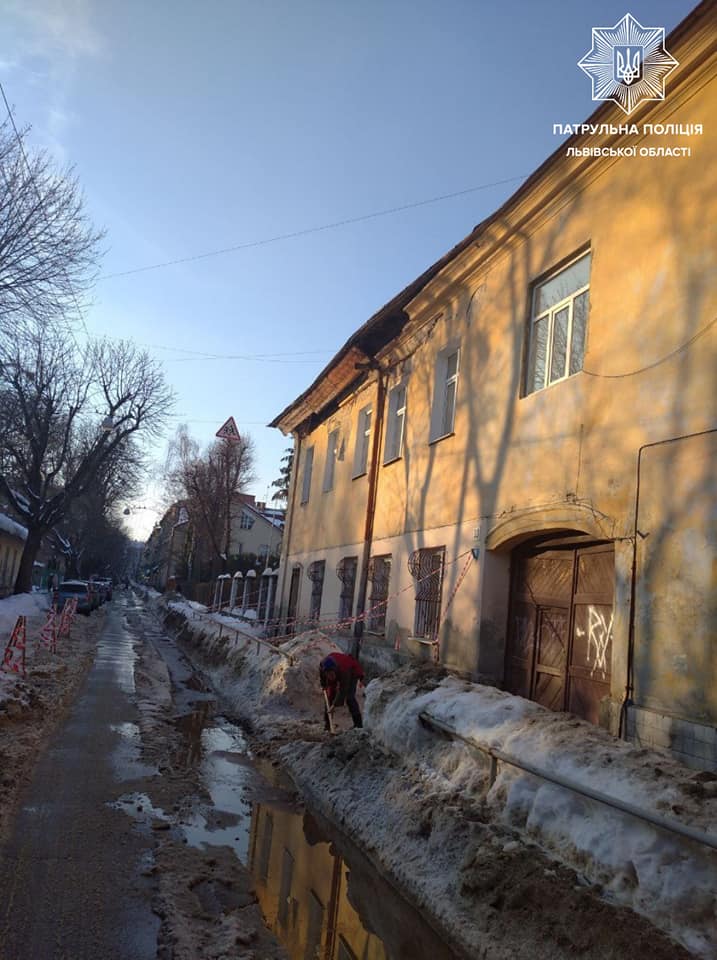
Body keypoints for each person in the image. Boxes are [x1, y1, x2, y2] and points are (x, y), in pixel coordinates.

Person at [319, 652, 365, 730]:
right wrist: (324, 685)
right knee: (329, 696)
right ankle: (328, 725)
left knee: (349, 697)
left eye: (332, 674)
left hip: (352, 671)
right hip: (338, 668)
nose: (330, 676)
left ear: (335, 670)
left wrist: (334, 705)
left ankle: (358, 725)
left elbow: (343, 689)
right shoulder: (323, 667)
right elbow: (323, 678)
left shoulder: (345, 671)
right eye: (328, 675)